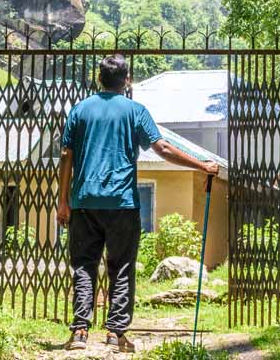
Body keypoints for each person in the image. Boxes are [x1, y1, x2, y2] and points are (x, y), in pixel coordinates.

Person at [56, 54, 220, 352]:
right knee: (121, 267)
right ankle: (115, 334)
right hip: (122, 202)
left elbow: (66, 156)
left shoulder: (80, 110)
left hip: (84, 203)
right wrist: (201, 165)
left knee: (83, 265)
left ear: (99, 79)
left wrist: (62, 201)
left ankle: (80, 331)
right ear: (127, 80)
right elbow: (163, 148)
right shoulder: (135, 111)